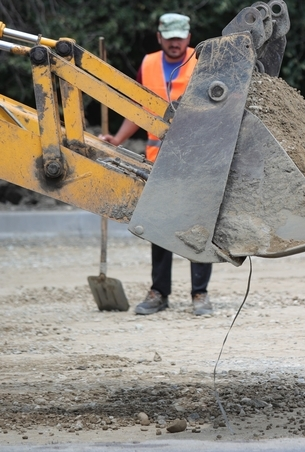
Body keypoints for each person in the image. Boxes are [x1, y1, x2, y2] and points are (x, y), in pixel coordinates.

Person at [99, 13, 213, 316]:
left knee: (197, 228)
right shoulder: (148, 64)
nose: (175, 43)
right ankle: (159, 293)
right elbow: (139, 108)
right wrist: (117, 140)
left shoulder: (203, 62)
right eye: (169, 37)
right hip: (158, 164)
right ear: (159, 37)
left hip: (197, 161)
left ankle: (199, 295)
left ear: (188, 38)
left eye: (180, 38)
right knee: (159, 228)